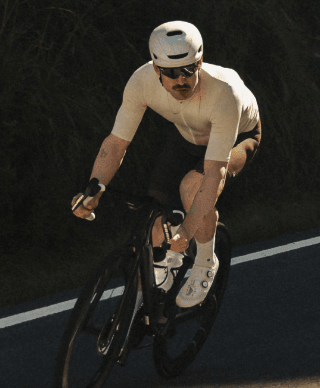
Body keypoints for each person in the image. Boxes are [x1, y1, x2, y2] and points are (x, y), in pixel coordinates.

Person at [71, 21, 262, 308]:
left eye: (189, 69)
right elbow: (116, 143)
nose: (181, 80)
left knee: (193, 187)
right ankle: (137, 308)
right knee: (154, 222)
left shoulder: (225, 93)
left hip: (239, 137)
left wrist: (187, 230)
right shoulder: (141, 82)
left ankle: (205, 262)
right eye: (171, 73)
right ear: (156, 69)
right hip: (187, 137)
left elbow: (215, 173)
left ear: (200, 63)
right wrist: (94, 188)